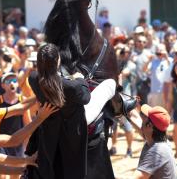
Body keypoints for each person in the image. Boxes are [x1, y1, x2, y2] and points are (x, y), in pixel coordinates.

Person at [25, 43, 116, 179]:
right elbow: (86, 98)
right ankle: (122, 107)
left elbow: (52, 82)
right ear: (58, 61)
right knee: (110, 84)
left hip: (50, 126)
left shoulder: (32, 79)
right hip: (74, 128)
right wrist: (79, 78)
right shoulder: (72, 86)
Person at [133, 105, 177, 179]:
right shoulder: (162, 141)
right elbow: (137, 123)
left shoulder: (156, 151)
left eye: (144, 117)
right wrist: (127, 112)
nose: (142, 118)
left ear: (149, 125)